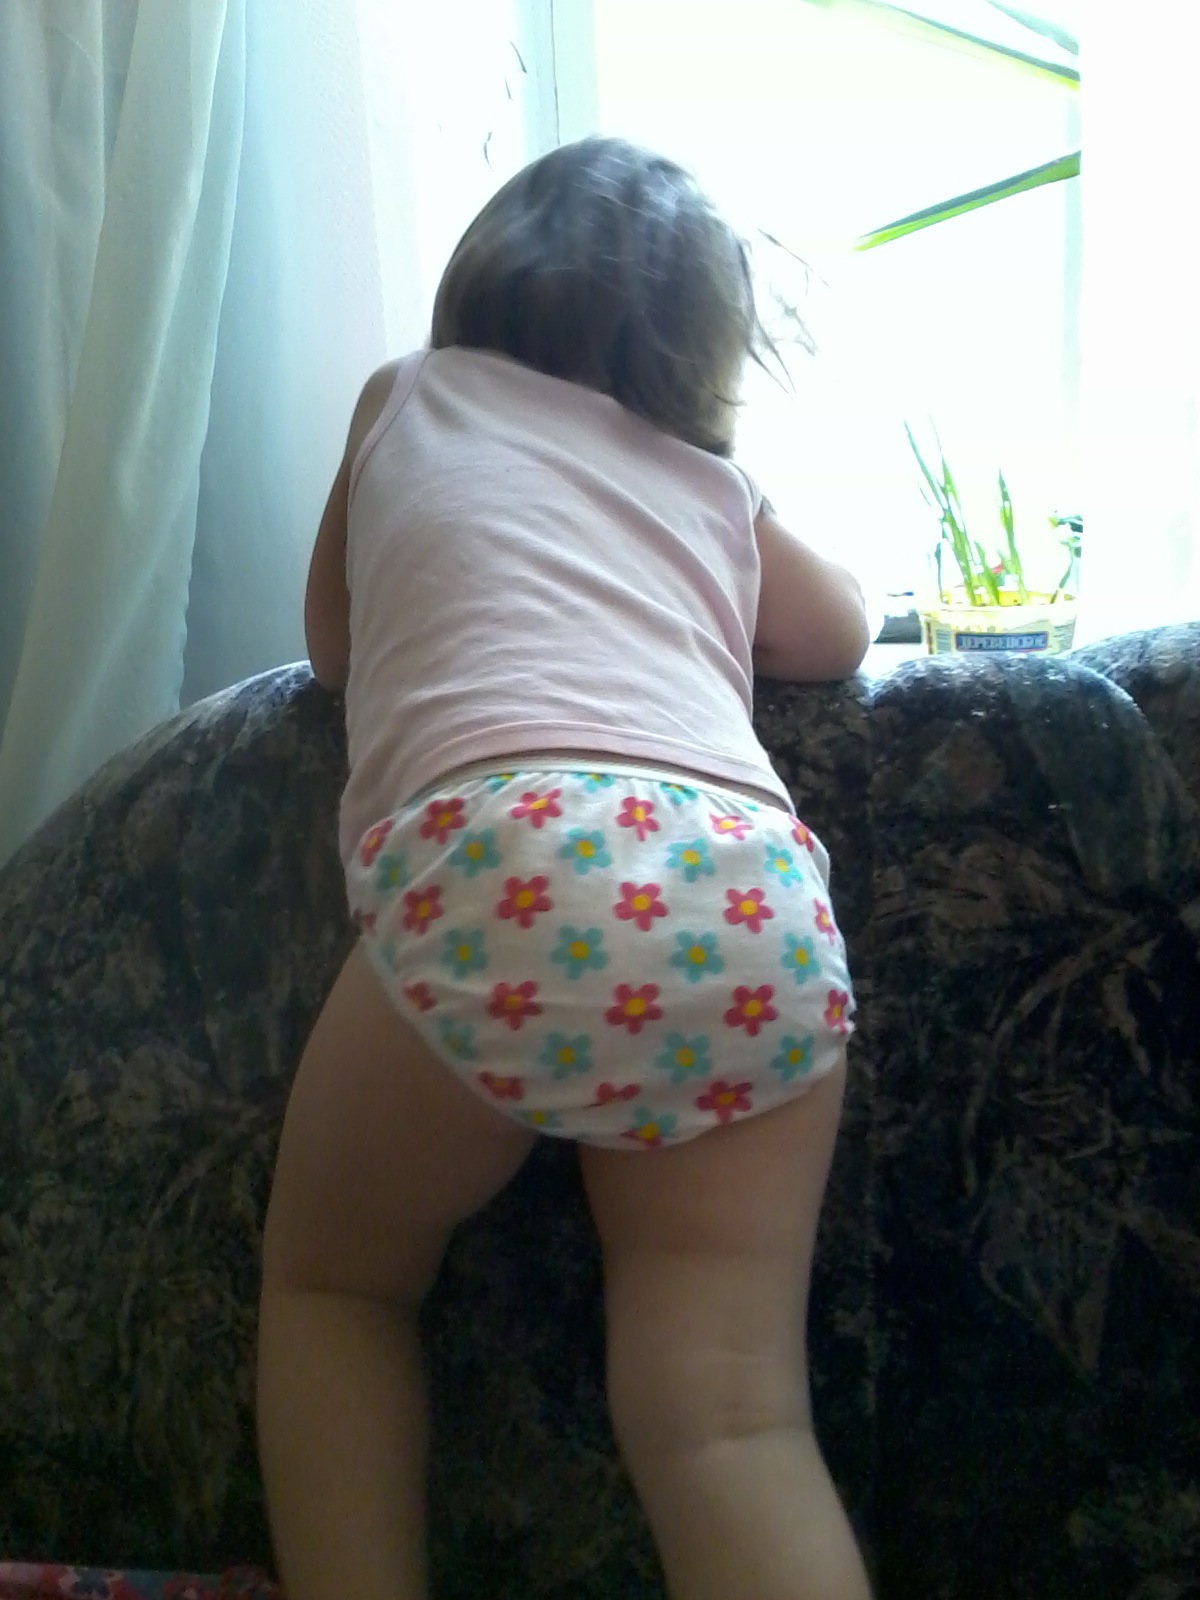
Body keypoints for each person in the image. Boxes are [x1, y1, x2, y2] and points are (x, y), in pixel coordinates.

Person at [257, 136, 873, 1600]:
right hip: (747, 896)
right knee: (732, 1423)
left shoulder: (407, 394)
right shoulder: (713, 481)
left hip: (503, 862)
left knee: (336, 1292)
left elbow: (333, 647)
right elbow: (840, 635)